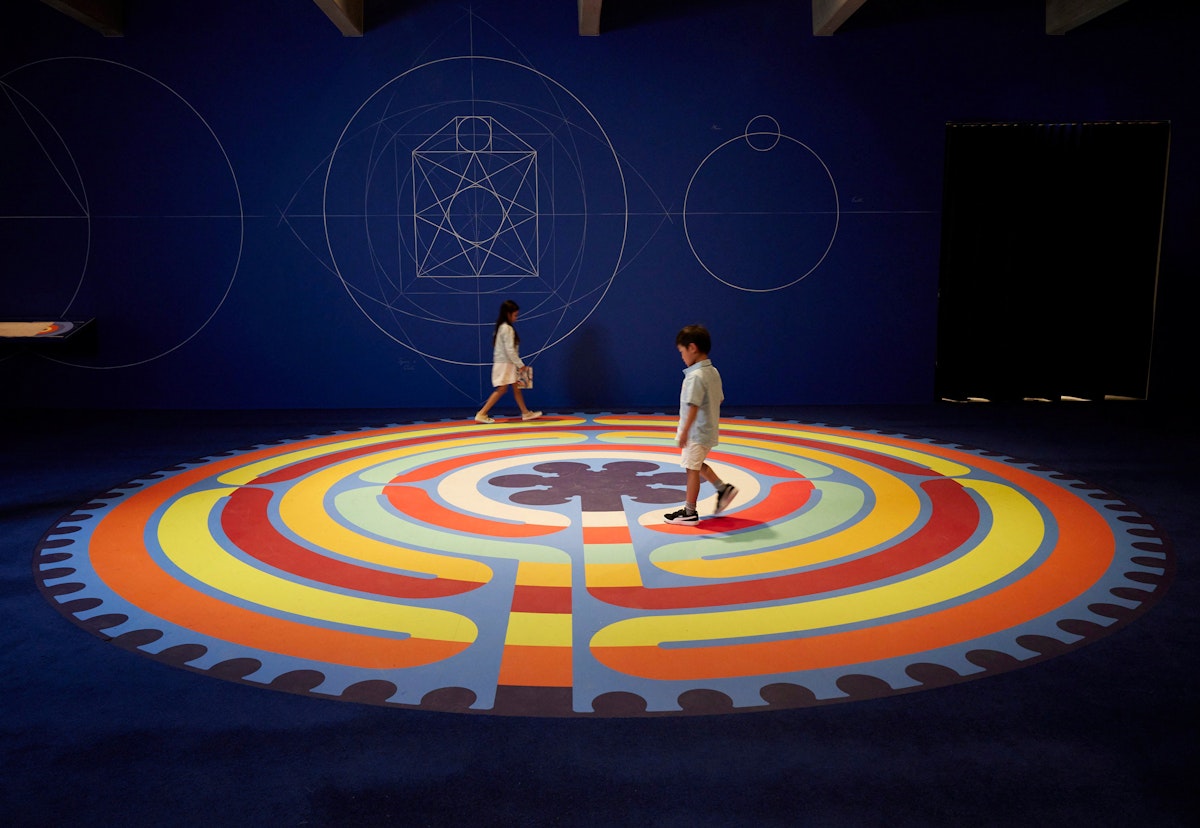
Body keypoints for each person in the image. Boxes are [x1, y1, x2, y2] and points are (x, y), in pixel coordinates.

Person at [664, 324, 737, 525]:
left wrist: (684, 432)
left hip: (696, 432)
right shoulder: (713, 372)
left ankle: (690, 511)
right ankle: (723, 489)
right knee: (697, 464)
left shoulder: (695, 377)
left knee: (691, 469)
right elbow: (719, 399)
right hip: (708, 429)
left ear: (692, 348)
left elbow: (693, 406)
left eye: (682, 352)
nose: (682, 357)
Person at [475, 300, 542, 424]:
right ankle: (482, 413)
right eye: (515, 315)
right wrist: (520, 365)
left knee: (516, 387)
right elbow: (510, 350)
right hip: (506, 364)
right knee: (502, 389)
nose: (516, 318)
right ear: (508, 314)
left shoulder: (500, 328)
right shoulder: (507, 329)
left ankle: (525, 412)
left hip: (505, 363)